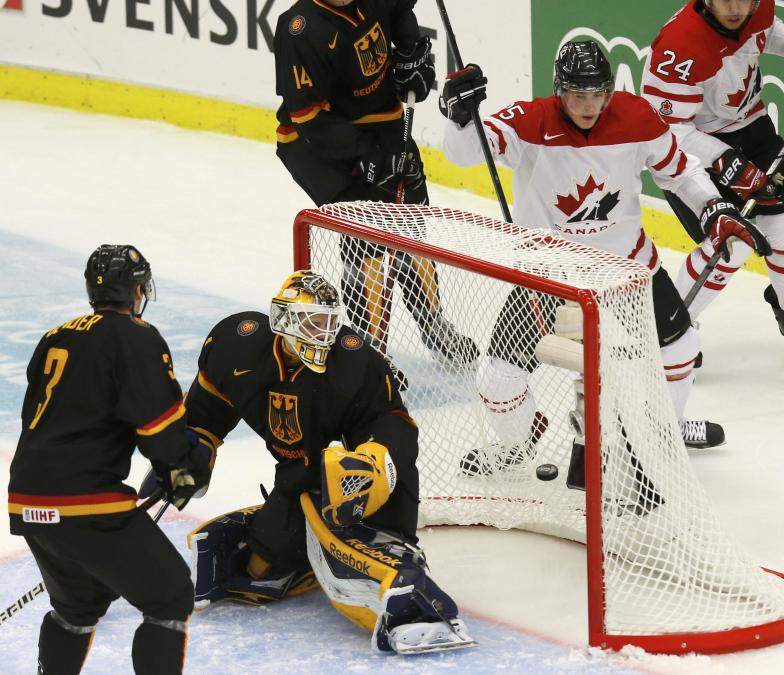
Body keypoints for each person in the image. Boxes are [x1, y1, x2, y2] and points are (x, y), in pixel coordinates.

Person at [439, 40, 771, 453]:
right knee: (498, 379)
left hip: (627, 269)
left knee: (681, 346)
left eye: (598, 94)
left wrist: (714, 208)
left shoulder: (636, 116)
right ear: (559, 89)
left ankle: (664, 429)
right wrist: (459, 120)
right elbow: (467, 154)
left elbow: (680, 170)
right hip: (546, 276)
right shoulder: (530, 121)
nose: (589, 105)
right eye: (579, 94)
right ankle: (516, 444)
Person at [180, 270, 474, 653]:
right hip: (297, 469)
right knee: (259, 571)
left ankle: (397, 555)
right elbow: (205, 411)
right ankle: (302, 544)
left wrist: (376, 458)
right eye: (313, 322)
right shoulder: (237, 344)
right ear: (283, 319)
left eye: (329, 323)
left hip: (352, 455)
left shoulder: (353, 361)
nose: (324, 334)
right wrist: (189, 453)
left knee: (363, 497)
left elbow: (395, 423)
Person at [6, 245, 213, 675]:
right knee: (170, 595)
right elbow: (159, 427)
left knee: (76, 606)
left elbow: (37, 419)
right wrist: (185, 466)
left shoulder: (55, 336)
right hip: (88, 500)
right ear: (137, 290)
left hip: (26, 498)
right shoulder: (136, 336)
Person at [641, 0, 784, 359]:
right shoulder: (679, 47)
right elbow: (667, 130)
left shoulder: (756, 13)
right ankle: (669, 331)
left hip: (752, 131)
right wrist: (724, 161)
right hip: (688, 151)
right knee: (731, 243)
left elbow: (769, 33)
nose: (736, 8)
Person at [273, 0, 477, 368]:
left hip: (381, 121)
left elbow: (402, 4)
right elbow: (309, 119)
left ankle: (434, 324)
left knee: (412, 224)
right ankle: (370, 349)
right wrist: (370, 160)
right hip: (315, 143)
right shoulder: (299, 29)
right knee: (365, 235)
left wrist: (412, 52)